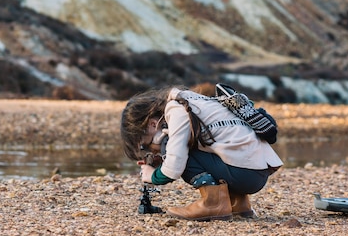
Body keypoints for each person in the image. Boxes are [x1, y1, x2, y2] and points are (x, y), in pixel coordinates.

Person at [120, 85, 283, 221]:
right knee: (194, 146)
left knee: (182, 151)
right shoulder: (191, 100)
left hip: (245, 173)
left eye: (146, 147)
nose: (151, 151)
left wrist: (152, 175)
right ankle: (238, 203)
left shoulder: (176, 111)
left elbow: (174, 167)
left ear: (152, 124)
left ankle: (213, 203)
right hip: (258, 171)